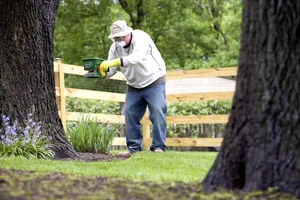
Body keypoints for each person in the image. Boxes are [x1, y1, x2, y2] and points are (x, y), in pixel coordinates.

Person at [99, 20, 167, 157]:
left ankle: (158, 147)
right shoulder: (115, 48)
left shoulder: (141, 37)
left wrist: (115, 62)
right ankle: (134, 149)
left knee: (157, 112)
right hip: (134, 85)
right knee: (130, 114)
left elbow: (136, 58)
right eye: (116, 38)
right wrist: (101, 72)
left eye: (122, 36)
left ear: (128, 32)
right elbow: (111, 70)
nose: (120, 40)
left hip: (154, 80)